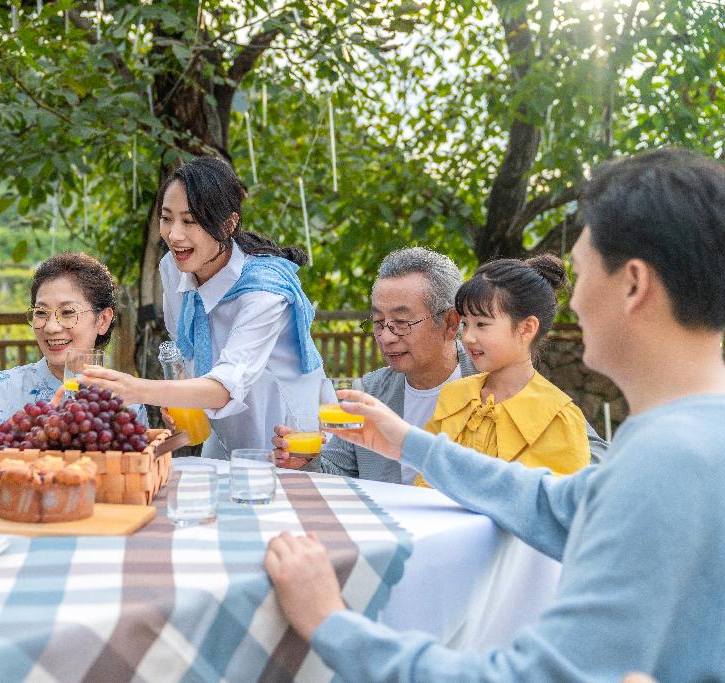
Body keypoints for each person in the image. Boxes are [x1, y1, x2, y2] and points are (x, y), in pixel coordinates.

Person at [264, 148, 725, 680]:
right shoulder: (690, 436)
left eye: (580, 274)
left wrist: (328, 620)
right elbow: (550, 503)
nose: (571, 304)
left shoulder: (667, 461)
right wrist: (405, 442)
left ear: (633, 285)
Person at [273, 247, 605, 482]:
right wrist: (307, 462)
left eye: (401, 322)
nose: (386, 337)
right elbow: (337, 472)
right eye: (377, 322)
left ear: (450, 323)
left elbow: (595, 461)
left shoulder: (500, 383)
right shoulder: (369, 392)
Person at [82, 156, 326, 459]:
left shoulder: (264, 291)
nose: (174, 235)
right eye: (167, 218)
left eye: (190, 221)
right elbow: (186, 349)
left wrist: (136, 388)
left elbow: (225, 386)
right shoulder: (173, 269)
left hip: (294, 444)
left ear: (228, 223)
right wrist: (181, 397)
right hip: (227, 441)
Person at [0, 252, 147, 449]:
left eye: (68, 312)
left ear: (103, 320)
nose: (50, 327)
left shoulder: (126, 401)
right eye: (41, 313)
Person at [413, 253, 590, 485]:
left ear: (527, 328)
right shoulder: (454, 397)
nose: (468, 337)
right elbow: (424, 482)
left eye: (482, 324)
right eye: (465, 324)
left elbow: (562, 509)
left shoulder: (558, 417)